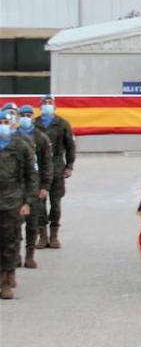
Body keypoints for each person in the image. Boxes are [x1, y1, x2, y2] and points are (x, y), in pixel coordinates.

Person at [0, 114, 36, 300]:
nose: (3, 126)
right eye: (0, 123)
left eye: (6, 123)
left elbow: (31, 175)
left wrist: (28, 202)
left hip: (13, 202)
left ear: (12, 125)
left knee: (10, 241)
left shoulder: (21, 146)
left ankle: (7, 279)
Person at [34, 95, 73, 250]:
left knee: (55, 202)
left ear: (55, 106)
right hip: (40, 169)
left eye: (50, 103)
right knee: (39, 203)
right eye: (45, 103)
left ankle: (54, 235)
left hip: (57, 167)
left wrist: (69, 165)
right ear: (40, 106)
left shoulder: (62, 123)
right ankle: (42, 236)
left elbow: (70, 145)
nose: (48, 105)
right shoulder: (34, 124)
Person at [14, 107, 50, 269]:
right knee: (13, 226)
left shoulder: (40, 137)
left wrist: (44, 186)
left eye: (29, 115)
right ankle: (15, 256)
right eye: (22, 115)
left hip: (33, 185)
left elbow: (45, 164)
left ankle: (30, 254)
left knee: (32, 222)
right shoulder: (12, 138)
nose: (25, 118)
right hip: (14, 189)